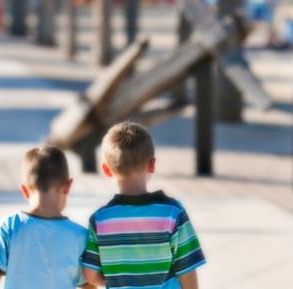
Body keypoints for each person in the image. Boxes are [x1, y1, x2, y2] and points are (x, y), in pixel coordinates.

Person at [82, 122, 206, 289]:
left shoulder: (100, 220)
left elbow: (89, 274)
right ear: (152, 164)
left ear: (106, 169)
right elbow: (188, 270)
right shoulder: (173, 212)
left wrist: (112, 282)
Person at [0, 146, 95, 289]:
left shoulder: (9, 226)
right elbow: (89, 285)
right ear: (67, 186)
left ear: (24, 190)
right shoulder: (80, 236)